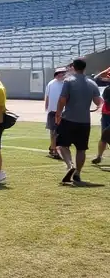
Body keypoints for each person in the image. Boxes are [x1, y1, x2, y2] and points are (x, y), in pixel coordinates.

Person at [55, 57, 101, 185]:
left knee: (62, 145)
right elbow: (98, 102)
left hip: (69, 118)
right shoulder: (92, 83)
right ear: (84, 68)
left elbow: (62, 99)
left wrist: (58, 113)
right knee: (81, 149)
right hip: (84, 121)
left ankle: (70, 165)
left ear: (73, 67)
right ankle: (78, 174)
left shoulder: (68, 81)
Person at [44, 67, 67, 158]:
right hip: (52, 111)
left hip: (63, 111)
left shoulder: (66, 84)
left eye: (63, 73)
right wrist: (47, 107)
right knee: (53, 131)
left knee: (59, 132)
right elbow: (47, 96)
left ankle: (54, 148)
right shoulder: (51, 83)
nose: (61, 74)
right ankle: (54, 149)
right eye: (59, 73)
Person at [91, 84, 110, 166]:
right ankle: (99, 156)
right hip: (106, 115)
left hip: (106, 115)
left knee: (105, 135)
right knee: (103, 137)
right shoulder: (107, 89)